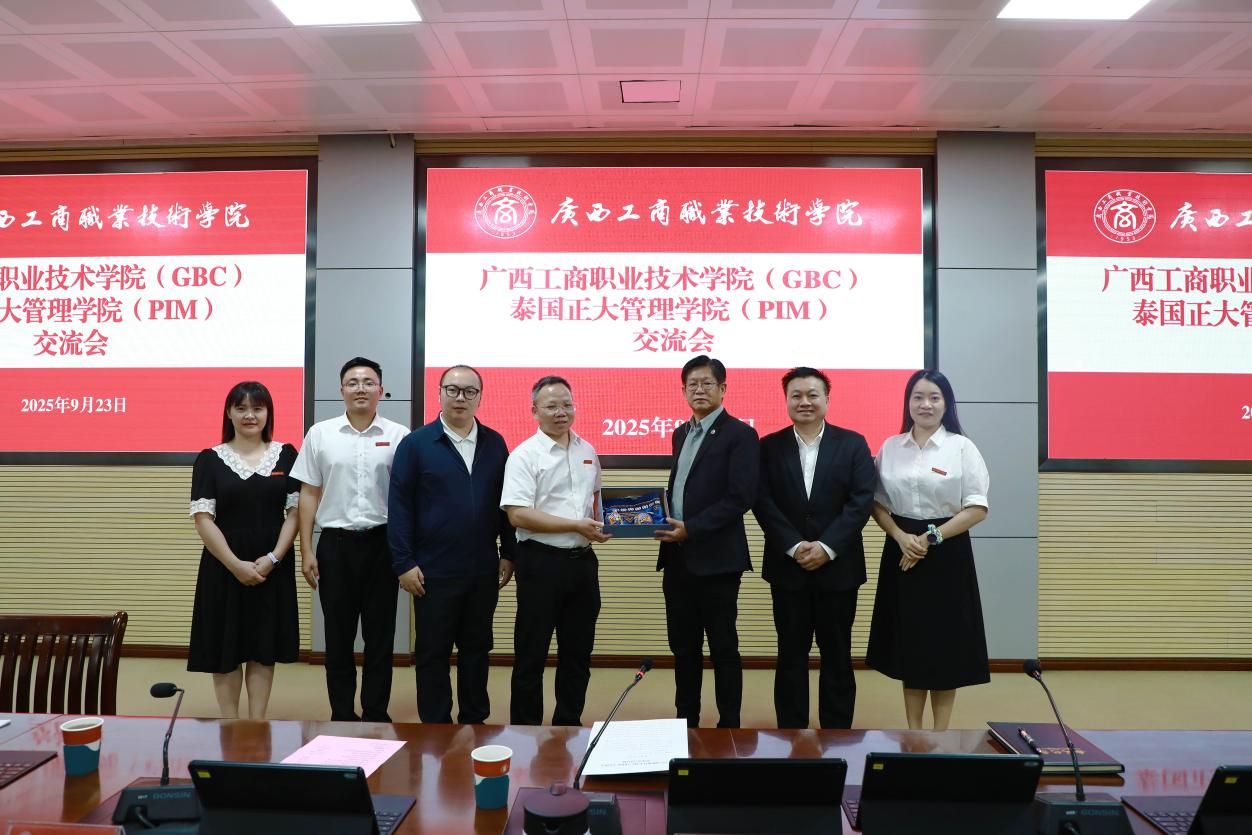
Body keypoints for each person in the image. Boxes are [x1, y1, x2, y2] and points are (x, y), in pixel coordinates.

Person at [387, 365, 515, 724]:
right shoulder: (416, 444)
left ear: (480, 397)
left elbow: (506, 503)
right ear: (440, 393)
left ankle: (475, 720)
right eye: (453, 390)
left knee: (477, 649)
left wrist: (509, 553)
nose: (461, 398)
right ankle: (435, 727)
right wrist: (403, 562)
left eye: (470, 391)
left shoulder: (495, 443)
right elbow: (399, 506)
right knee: (433, 652)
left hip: (482, 568)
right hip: (432, 570)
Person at [866, 369, 991, 731]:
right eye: (918, 397)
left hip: (947, 552)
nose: (926, 404)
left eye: (934, 397)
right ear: (908, 403)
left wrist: (929, 539)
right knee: (912, 644)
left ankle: (941, 735)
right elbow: (876, 503)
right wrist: (900, 536)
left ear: (946, 404)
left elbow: (977, 507)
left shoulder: (962, 447)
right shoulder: (891, 447)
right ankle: (914, 731)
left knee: (944, 645)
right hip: (901, 549)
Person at [753, 367, 876, 729]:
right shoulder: (768, 446)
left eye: (812, 394)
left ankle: (836, 735)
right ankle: (791, 734)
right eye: (796, 395)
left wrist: (827, 546)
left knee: (837, 654)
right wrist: (793, 546)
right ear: (786, 400)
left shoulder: (853, 444)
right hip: (787, 569)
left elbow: (861, 501)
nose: (804, 401)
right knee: (790, 654)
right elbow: (761, 500)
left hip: (839, 569)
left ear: (826, 399)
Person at [291, 357, 408, 722]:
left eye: (368, 382)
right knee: (338, 636)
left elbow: (408, 497)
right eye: (353, 382)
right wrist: (306, 550)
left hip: (382, 545)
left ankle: (375, 712)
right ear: (341, 390)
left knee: (380, 636)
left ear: (381, 390)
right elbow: (309, 494)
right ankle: (341, 712)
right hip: (335, 546)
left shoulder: (400, 436)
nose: (361, 388)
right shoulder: (320, 434)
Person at [655, 356, 759, 728]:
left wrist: (692, 528)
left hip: (718, 561)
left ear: (722, 388)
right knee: (683, 648)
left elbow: (740, 498)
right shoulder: (680, 433)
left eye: (707, 383)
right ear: (684, 390)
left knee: (723, 647)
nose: (699, 390)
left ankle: (729, 724)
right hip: (677, 558)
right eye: (692, 384)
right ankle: (686, 722)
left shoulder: (740, 435)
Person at [501, 375, 609, 726]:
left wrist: (608, 523)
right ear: (535, 410)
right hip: (540, 563)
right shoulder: (523, 455)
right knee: (531, 655)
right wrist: (575, 525)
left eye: (567, 404)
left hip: (582, 565)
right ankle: (525, 731)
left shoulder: (587, 451)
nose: (561, 412)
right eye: (551, 406)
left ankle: (568, 726)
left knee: (578, 654)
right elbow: (518, 515)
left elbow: (596, 502)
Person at [188, 381, 299, 719]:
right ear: (229, 413)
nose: (250, 415)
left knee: (263, 647)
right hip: (224, 565)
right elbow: (203, 518)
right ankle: (230, 723)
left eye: (257, 408)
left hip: (272, 566)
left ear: (268, 413)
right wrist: (235, 564)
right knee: (226, 647)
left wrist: (274, 558)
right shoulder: (209, 459)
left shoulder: (286, 454)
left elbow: (296, 513)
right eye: (241, 408)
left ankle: (257, 723)